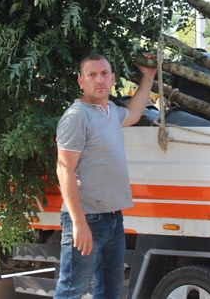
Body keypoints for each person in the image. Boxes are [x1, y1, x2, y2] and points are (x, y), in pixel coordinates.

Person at [53, 53, 157, 299]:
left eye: (103, 74)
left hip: (113, 218)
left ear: (112, 79)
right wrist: (79, 224)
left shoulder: (110, 111)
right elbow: (64, 169)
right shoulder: (77, 116)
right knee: (71, 290)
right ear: (81, 81)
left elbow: (133, 113)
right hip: (86, 218)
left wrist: (149, 77)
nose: (99, 80)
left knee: (110, 291)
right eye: (92, 75)